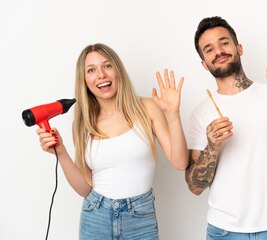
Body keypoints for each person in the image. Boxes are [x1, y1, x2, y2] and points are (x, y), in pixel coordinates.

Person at [37, 43, 188, 240]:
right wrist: (62, 152)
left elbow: (180, 162)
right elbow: (85, 188)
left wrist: (173, 115)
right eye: (91, 70)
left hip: (141, 218)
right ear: (84, 80)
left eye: (107, 66)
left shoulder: (147, 108)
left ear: (118, 70)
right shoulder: (82, 124)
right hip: (95, 216)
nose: (101, 75)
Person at [185, 16, 267, 240]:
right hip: (223, 231)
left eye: (224, 42)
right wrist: (212, 147)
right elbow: (195, 187)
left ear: (239, 48)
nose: (218, 51)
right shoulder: (200, 114)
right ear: (204, 63)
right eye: (209, 49)